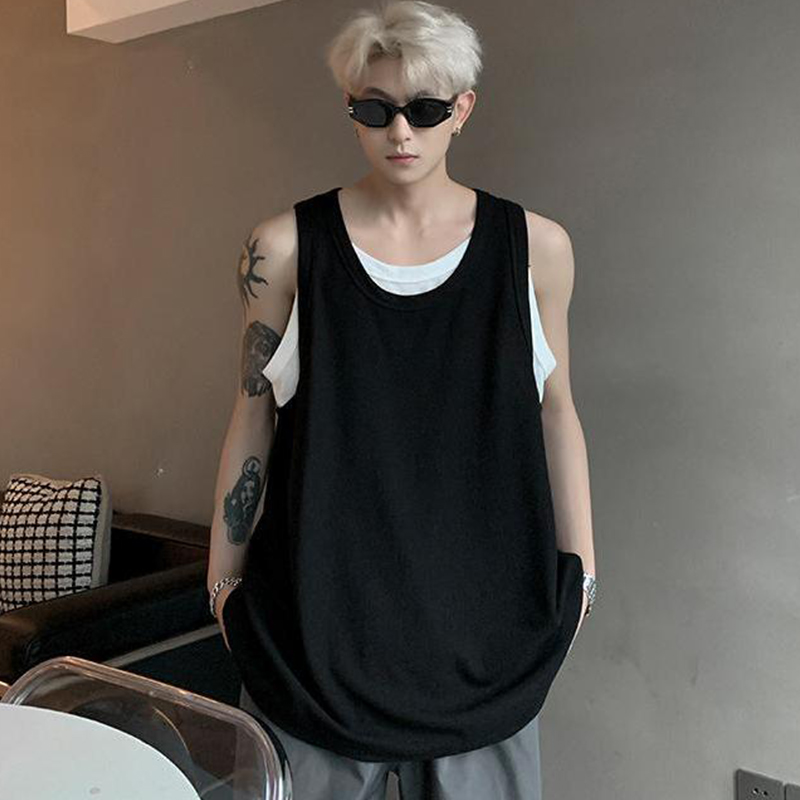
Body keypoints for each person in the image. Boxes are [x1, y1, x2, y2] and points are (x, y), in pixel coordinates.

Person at [207, 1, 597, 797]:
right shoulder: (283, 249)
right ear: (350, 108)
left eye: (424, 110)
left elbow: (556, 407)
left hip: (487, 640)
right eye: (375, 110)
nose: (400, 133)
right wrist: (222, 586)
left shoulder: (536, 249)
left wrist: (582, 575)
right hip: (314, 637)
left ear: (463, 108)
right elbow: (253, 411)